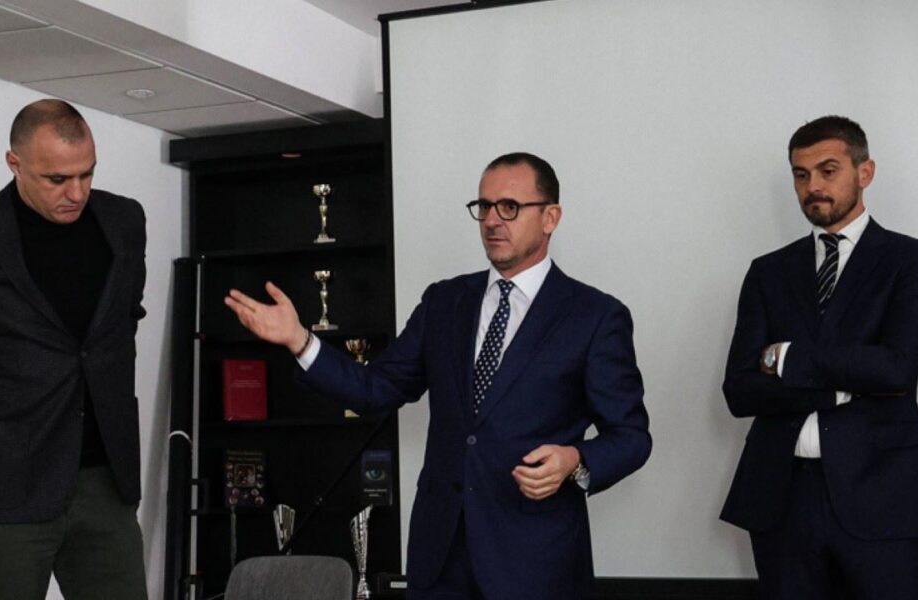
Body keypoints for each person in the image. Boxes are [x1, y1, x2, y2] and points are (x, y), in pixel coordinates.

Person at [225, 152, 651, 600]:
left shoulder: (594, 316)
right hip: (440, 560)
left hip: (536, 565)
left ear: (550, 217)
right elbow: (375, 389)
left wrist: (574, 461)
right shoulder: (445, 302)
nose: (492, 220)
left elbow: (631, 437)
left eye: (509, 207)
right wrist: (299, 340)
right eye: (483, 206)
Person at [721, 115, 918, 599]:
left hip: (886, 494)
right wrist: (843, 387)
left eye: (828, 171)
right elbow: (739, 391)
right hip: (783, 500)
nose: (813, 187)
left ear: (865, 172)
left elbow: (896, 368)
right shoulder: (768, 271)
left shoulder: (911, 259)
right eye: (801, 175)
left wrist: (787, 360)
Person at [0, 99, 148, 599]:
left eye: (87, 173)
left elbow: (124, 319)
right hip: (4, 486)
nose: (76, 192)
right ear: (14, 163)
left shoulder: (124, 220)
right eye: (57, 179)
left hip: (105, 480)